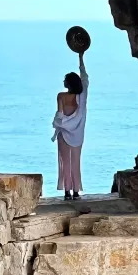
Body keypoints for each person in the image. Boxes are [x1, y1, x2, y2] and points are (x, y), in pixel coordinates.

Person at [52, 51, 88, 200]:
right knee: (76, 161)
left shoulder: (61, 96)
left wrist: (57, 124)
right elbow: (85, 78)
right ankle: (76, 191)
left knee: (65, 161)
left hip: (63, 134)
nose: (63, 82)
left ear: (69, 83)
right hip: (78, 134)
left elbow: (60, 116)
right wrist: (81, 57)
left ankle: (67, 192)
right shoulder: (82, 95)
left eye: (65, 80)